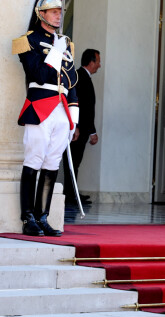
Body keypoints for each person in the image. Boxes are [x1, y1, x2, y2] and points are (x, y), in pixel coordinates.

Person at [12, 0, 79, 237]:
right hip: (40, 106)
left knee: (52, 164)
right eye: (54, 12)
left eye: (60, 12)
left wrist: (74, 117)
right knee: (34, 159)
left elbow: (72, 82)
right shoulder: (27, 40)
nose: (59, 16)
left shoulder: (64, 43)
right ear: (41, 14)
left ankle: (43, 217)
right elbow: (39, 75)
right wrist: (58, 52)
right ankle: (28, 217)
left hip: (62, 110)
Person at [63, 48, 101, 206]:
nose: (99, 65)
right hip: (76, 130)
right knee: (72, 161)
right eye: (98, 61)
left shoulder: (83, 76)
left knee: (75, 162)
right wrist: (76, 126)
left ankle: (72, 193)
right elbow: (76, 104)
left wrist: (92, 131)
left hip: (82, 129)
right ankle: (70, 195)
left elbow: (88, 108)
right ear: (91, 62)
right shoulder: (79, 76)